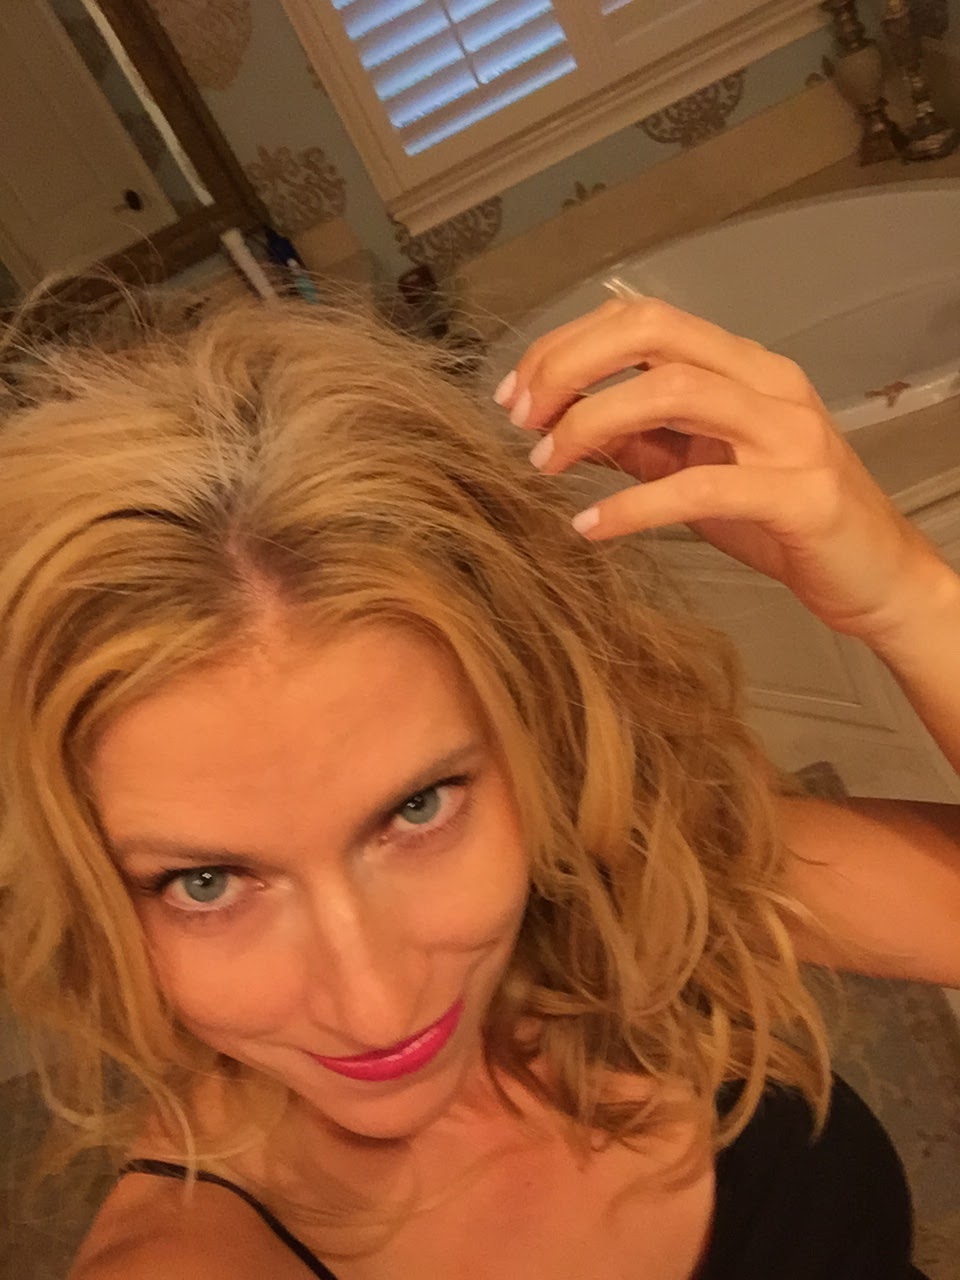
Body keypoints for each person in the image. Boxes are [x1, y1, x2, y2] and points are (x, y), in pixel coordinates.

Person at [0, 288, 956, 1280]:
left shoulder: (633, 894)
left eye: (419, 810)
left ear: (531, 741)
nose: (376, 1007)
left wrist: (910, 596)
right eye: (206, 883)